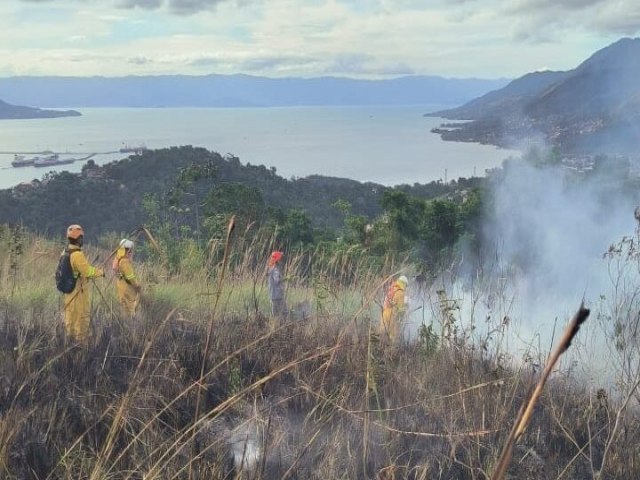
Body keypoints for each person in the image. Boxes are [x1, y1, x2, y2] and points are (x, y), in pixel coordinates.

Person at [63, 224, 104, 344]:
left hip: (69, 294)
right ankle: (80, 347)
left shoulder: (65, 253)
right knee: (81, 321)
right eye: (82, 237)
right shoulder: (77, 255)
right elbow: (88, 272)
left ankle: (68, 343)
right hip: (78, 294)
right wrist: (100, 272)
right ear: (79, 238)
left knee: (69, 320)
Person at [112, 238, 141, 316]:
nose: (131, 253)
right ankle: (130, 326)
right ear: (127, 250)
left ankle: (125, 324)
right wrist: (137, 286)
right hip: (128, 290)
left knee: (125, 309)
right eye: (130, 251)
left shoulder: (119, 260)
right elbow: (130, 277)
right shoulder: (124, 262)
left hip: (122, 287)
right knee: (130, 310)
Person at [379, 275, 409, 345]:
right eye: (406, 286)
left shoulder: (391, 288)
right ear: (404, 284)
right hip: (392, 314)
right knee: (393, 336)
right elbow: (401, 309)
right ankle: (391, 352)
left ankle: (380, 348)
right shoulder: (400, 293)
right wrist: (401, 318)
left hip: (384, 312)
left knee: (382, 333)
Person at [267, 250, 287, 320]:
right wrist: (286, 279)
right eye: (280, 259)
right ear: (277, 260)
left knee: (274, 315)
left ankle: (274, 327)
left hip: (273, 295)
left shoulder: (271, 269)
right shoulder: (275, 270)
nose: (281, 261)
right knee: (284, 313)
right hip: (278, 296)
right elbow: (277, 281)